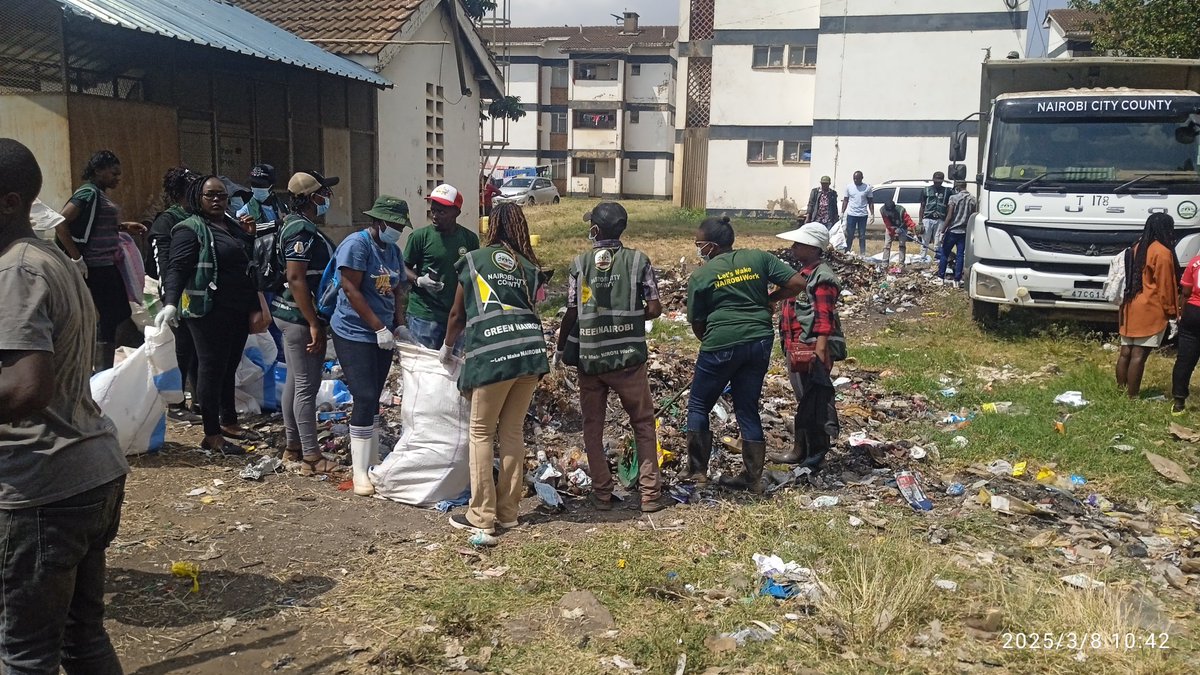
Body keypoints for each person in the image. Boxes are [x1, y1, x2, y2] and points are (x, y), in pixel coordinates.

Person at [0, 137, 129, 675]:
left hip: (41, 485)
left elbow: (28, 387)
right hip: (89, 470)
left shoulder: (15, 271)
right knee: (82, 637)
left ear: (9, 201)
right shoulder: (51, 258)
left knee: (25, 655)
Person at [443, 202, 548, 534]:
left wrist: (447, 347)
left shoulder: (475, 259)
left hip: (494, 354)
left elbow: (458, 314)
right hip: (530, 353)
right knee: (513, 433)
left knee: (481, 433)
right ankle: (508, 512)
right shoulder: (529, 267)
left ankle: (482, 517)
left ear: (492, 226)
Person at [680, 216, 807, 491]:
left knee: (699, 404)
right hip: (759, 341)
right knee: (747, 406)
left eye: (699, 244)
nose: (698, 248)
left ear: (711, 247)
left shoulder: (701, 275)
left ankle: (697, 471)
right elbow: (797, 283)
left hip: (720, 344)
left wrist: (714, 345)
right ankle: (752, 477)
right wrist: (769, 300)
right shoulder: (759, 258)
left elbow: (697, 323)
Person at [555, 202, 666, 513]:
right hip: (629, 358)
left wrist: (561, 348)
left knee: (593, 426)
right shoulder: (638, 261)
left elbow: (572, 312)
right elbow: (655, 309)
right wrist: (631, 318)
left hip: (591, 360)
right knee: (643, 423)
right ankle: (649, 495)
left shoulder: (579, 264)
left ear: (595, 230)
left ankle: (602, 494)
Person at [158, 175, 271, 456]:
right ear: (198, 198)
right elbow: (177, 267)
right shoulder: (189, 229)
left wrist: (248, 235)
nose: (218, 200)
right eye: (211, 195)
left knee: (229, 367)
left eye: (222, 195)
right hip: (207, 310)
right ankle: (211, 434)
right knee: (211, 369)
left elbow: (244, 260)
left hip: (236, 308)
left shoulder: (231, 225)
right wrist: (170, 302)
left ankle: (229, 422)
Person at [329, 188, 408, 496]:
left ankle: (372, 458)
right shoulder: (356, 245)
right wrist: (378, 328)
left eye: (401, 227)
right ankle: (359, 470)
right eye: (393, 225)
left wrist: (398, 325)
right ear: (377, 221)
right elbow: (350, 289)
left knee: (374, 395)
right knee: (363, 394)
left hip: (382, 333)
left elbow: (398, 288)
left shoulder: (392, 252)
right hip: (353, 331)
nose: (397, 231)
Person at [270, 172, 342, 476]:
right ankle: (311, 457)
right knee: (307, 386)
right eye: (324, 191)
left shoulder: (292, 223)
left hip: (288, 313)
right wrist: (314, 322)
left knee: (295, 381)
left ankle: (293, 446)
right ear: (313, 197)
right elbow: (295, 277)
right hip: (299, 317)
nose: (328, 196)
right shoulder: (301, 230)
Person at [55, 150, 147, 371]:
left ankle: (102, 364)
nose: (118, 178)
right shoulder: (88, 192)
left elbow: (95, 225)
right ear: (98, 171)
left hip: (106, 263)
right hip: (95, 265)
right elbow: (60, 223)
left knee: (116, 313)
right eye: (114, 173)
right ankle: (100, 366)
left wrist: (123, 226)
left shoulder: (99, 194)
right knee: (114, 314)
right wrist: (77, 258)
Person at [771, 223, 844, 472]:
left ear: (813, 248)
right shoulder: (804, 274)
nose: (793, 247)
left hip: (811, 348)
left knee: (814, 401)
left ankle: (815, 454)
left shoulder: (822, 277)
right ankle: (801, 449)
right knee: (805, 399)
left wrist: (820, 350)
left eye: (799, 244)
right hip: (797, 346)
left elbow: (825, 316)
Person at [148, 167, 202, 423]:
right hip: (178, 293)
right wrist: (170, 298)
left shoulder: (198, 216)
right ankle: (177, 403)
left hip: (199, 292)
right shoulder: (167, 221)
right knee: (182, 348)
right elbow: (163, 264)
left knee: (197, 348)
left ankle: (199, 398)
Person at [404, 183, 480, 351]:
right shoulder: (420, 237)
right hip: (424, 314)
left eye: (442, 212)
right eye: (433, 210)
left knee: (452, 368)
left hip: (456, 315)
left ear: (456, 213)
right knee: (424, 368)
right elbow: (402, 267)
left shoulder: (469, 239)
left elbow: (474, 276)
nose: (435, 216)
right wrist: (418, 280)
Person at [1117, 213, 1180, 399]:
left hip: (1129, 307)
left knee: (1125, 352)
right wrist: (1171, 312)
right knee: (1139, 355)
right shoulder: (1162, 252)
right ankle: (1132, 397)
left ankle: (1121, 392)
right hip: (1149, 309)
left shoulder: (1137, 247)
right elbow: (1165, 285)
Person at [1172, 250, 1200, 414]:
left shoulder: (1195, 262)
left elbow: (1186, 292)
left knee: (1185, 359)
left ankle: (1178, 402)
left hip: (1193, 312)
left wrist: (1181, 314)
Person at [939, 181, 976, 286]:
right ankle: (957, 279)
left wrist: (942, 230)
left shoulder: (953, 198)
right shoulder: (972, 199)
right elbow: (973, 216)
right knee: (960, 255)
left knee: (945, 253)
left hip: (953, 231)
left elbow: (949, 216)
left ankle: (941, 277)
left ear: (957, 187)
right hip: (964, 232)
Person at [237, 163, 289, 233]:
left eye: (260, 185)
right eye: (253, 184)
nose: (256, 188)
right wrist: (276, 223)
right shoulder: (244, 212)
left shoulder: (282, 207)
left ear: (271, 187)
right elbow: (245, 229)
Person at [918, 171, 953, 263]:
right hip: (927, 218)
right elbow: (922, 206)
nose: (937, 182)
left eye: (939, 180)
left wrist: (948, 222)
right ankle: (922, 258)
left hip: (940, 219)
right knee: (925, 240)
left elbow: (950, 207)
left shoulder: (948, 191)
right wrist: (920, 221)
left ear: (942, 180)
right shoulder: (926, 190)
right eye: (936, 179)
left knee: (938, 241)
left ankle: (937, 259)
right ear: (933, 179)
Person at [839, 171, 874, 256]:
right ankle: (847, 251)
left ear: (862, 178)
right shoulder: (849, 187)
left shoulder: (867, 188)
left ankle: (862, 252)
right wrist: (842, 212)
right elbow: (846, 200)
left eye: (857, 178)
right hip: (851, 215)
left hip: (862, 215)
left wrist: (872, 214)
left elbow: (871, 202)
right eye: (854, 178)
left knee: (862, 235)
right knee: (850, 234)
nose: (855, 180)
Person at [879, 199, 915, 269]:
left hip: (902, 228)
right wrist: (892, 230)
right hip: (890, 227)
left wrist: (915, 235)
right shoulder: (883, 210)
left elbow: (909, 222)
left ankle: (901, 264)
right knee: (887, 245)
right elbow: (886, 222)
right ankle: (884, 264)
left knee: (902, 245)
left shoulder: (901, 210)